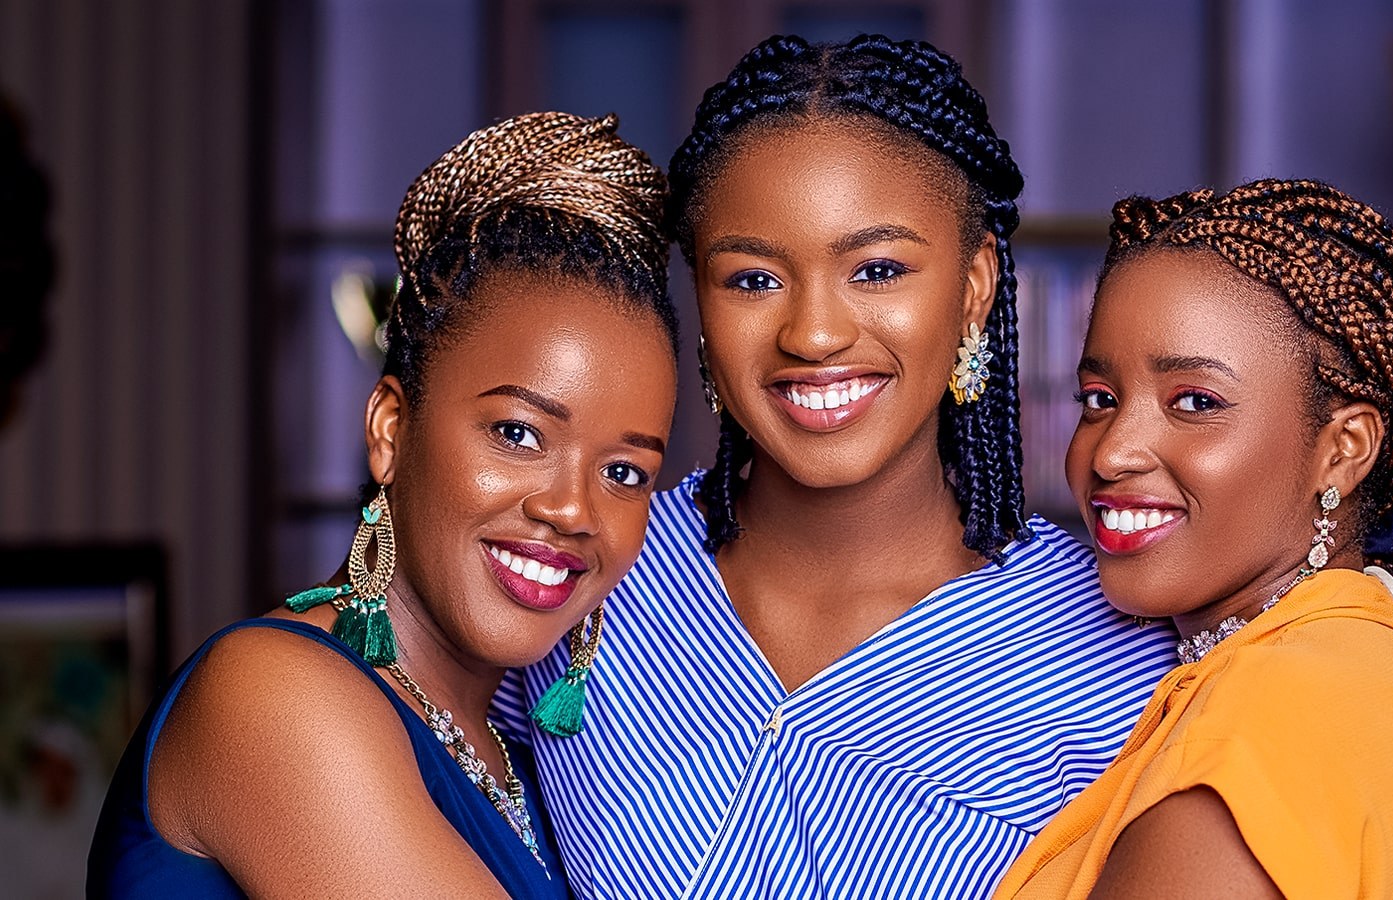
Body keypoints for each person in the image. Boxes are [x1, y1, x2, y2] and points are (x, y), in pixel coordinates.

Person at [491, 34, 1176, 899]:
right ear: (698, 299)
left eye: (877, 270)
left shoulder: (1124, 651)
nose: (813, 333)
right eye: (751, 280)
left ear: (974, 287)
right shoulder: (587, 562)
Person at [87, 111, 680, 897]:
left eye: (626, 473)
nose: (573, 509)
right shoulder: (273, 695)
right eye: (519, 433)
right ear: (391, 429)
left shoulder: (534, 773)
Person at [991, 179, 1393, 899]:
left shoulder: (1266, 723)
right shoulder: (1355, 661)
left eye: (1195, 402)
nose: (1111, 453)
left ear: (1343, 448)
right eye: (1100, 401)